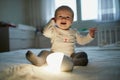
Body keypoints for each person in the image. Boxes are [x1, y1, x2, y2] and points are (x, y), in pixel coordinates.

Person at [26, 5, 96, 67]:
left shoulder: (74, 32)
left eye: (68, 17)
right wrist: (51, 22)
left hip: (70, 56)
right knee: (44, 52)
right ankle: (39, 60)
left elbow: (82, 41)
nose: (64, 19)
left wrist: (90, 36)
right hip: (54, 55)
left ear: (71, 21)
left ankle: (71, 62)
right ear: (55, 20)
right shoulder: (54, 30)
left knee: (83, 55)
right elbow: (45, 32)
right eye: (60, 16)